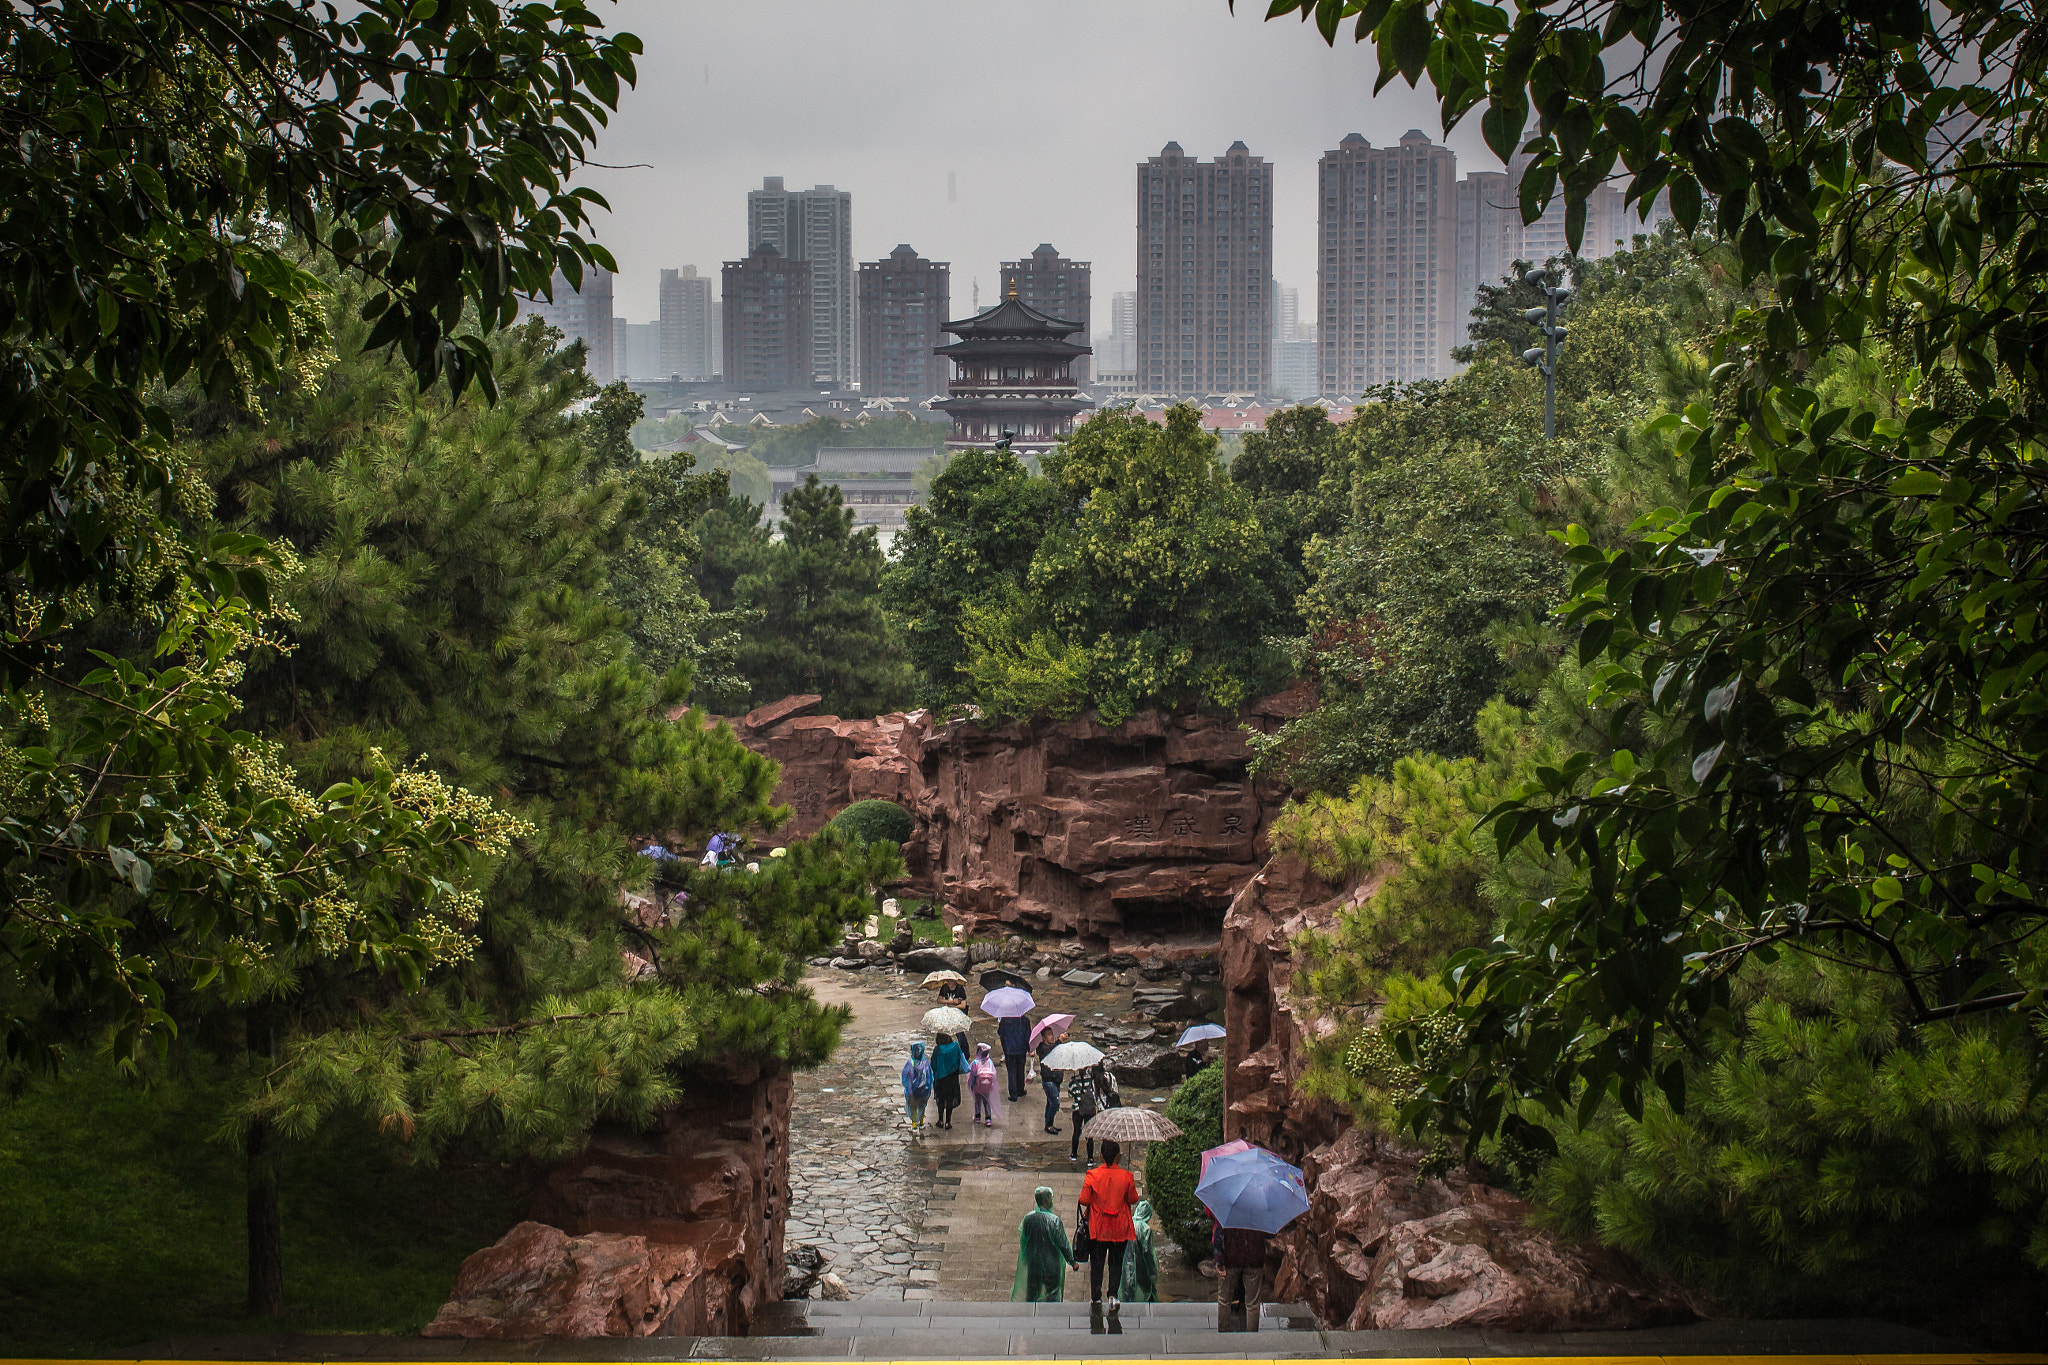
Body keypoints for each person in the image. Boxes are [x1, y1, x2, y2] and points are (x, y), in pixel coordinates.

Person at [1077, 1139, 1141, 1310]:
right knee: (1116, 1262)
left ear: (1101, 1155)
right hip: (1120, 1229)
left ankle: (1096, 1297)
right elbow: (1133, 1199)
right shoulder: (1127, 1177)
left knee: (1097, 1263)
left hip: (1098, 1228)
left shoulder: (1092, 1175)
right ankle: (1113, 1295)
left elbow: (1083, 1199)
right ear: (1119, 1155)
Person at [1009, 1185, 1076, 1302]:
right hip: (1051, 1264)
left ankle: (1031, 1316)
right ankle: (1049, 1317)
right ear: (1047, 1200)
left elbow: (1024, 1239)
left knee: (1032, 1293)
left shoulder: (1028, 1219)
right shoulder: (1054, 1220)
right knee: (1052, 1294)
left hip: (1033, 1263)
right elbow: (1063, 1243)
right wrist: (1072, 1261)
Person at [1214, 1217, 1271, 1332]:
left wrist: (1219, 1261)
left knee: (1224, 1299)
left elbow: (1218, 1237)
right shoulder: (1259, 1210)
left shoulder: (1229, 1209)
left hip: (1231, 1258)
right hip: (1255, 1259)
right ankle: (1251, 1337)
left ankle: (1223, 1334)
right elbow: (1270, 1234)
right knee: (1253, 1304)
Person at [1118, 1197, 1159, 1304]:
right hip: (1141, 1265)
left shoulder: (1127, 1223)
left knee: (1128, 1286)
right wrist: (1153, 1272)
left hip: (1125, 1263)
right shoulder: (1145, 1229)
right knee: (1142, 1289)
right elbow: (1148, 1252)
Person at [1034, 1025, 1066, 1135]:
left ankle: (1049, 1124)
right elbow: (1050, 1052)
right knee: (1055, 1102)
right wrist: (1059, 1041)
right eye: (1048, 1035)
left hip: (1056, 1079)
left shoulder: (1053, 1046)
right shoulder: (1042, 1048)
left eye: (1052, 1034)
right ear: (1043, 1037)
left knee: (1050, 1102)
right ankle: (1049, 1124)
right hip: (1049, 1080)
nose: (1051, 1037)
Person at [931, 1031, 965, 1129]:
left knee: (940, 1099)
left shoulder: (937, 1049)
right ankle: (948, 1122)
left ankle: (940, 1119)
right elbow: (961, 1057)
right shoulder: (955, 1046)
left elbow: (933, 1063)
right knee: (950, 1099)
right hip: (952, 1078)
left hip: (940, 1079)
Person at [997, 1009, 1031, 1101]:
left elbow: (1000, 1032)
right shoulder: (1025, 1021)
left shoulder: (1005, 1020)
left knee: (1011, 1071)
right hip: (1021, 1049)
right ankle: (1020, 1089)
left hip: (1009, 1049)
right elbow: (1028, 1037)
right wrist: (1030, 1049)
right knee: (1020, 1069)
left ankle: (1013, 1093)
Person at [1067, 1062, 1099, 1163]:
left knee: (1076, 1131)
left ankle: (1074, 1154)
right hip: (1090, 1109)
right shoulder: (1091, 1080)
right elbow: (1095, 1093)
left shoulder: (1073, 1081)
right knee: (1089, 1134)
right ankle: (1090, 1158)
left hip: (1077, 1109)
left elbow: (1070, 1095)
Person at [967, 1041, 1003, 1126]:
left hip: (977, 1086)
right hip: (987, 1086)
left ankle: (978, 1116)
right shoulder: (989, 1062)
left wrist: (971, 1085)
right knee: (987, 1101)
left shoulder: (975, 1062)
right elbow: (994, 1074)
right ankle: (988, 1118)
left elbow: (972, 1075)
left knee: (977, 1101)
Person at [900, 1041, 933, 1135]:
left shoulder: (910, 1063)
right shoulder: (925, 1063)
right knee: (922, 1106)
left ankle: (914, 1125)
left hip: (913, 1092)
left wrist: (908, 1090)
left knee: (913, 1107)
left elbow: (906, 1078)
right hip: (924, 1091)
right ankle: (921, 1123)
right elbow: (930, 1077)